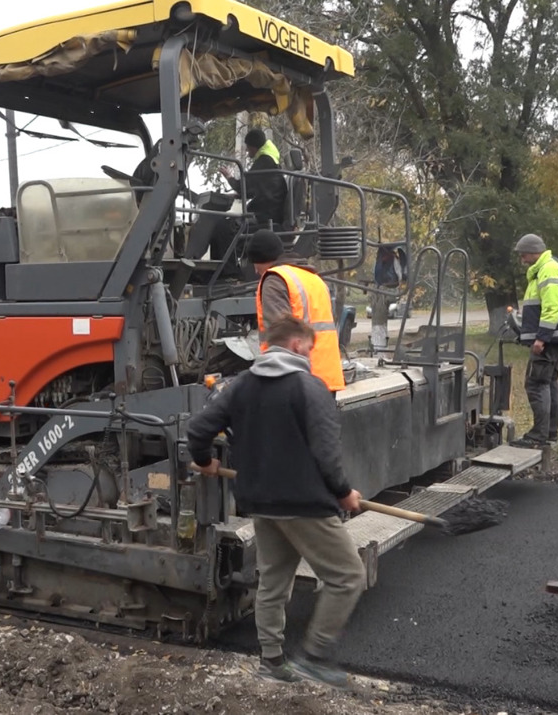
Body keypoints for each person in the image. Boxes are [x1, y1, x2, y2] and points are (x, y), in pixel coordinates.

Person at [185, 316, 365, 687]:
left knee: (273, 582)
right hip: (304, 503)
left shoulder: (240, 385)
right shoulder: (309, 387)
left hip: (261, 502)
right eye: (310, 349)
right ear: (297, 344)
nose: (311, 356)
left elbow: (198, 430)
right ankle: (314, 657)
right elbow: (327, 452)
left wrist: (205, 461)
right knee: (348, 576)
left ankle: (271, 662)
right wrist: (344, 492)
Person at [248, 229, 345, 392]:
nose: (255, 270)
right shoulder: (313, 278)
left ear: (261, 259)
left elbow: (280, 335)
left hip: (298, 379)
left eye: (254, 263)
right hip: (325, 376)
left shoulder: (275, 280)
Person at [508, 233, 558, 448]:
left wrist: (541, 338)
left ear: (533, 252)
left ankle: (538, 436)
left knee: (536, 384)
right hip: (554, 339)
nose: (522, 260)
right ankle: (549, 434)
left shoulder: (548, 269)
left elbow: (551, 307)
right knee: (549, 383)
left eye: (523, 255)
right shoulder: (547, 267)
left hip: (549, 340)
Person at [218, 128, 288, 229]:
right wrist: (237, 195)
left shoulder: (264, 161)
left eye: (248, 147)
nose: (247, 150)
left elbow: (242, 187)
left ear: (253, 147)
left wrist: (229, 177)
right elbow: (253, 190)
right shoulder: (270, 160)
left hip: (266, 215)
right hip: (271, 210)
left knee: (224, 227)